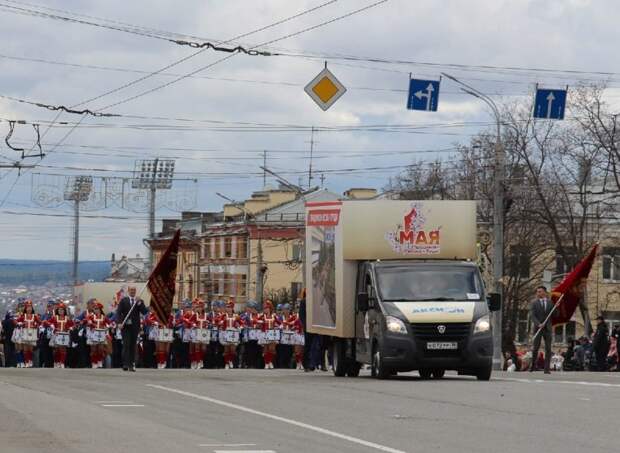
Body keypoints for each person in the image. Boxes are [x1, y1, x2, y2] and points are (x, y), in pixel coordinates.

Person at [115, 286, 148, 372]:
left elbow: (144, 312)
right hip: (125, 326)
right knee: (126, 344)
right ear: (128, 291)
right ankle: (125, 363)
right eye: (131, 290)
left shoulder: (139, 301)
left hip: (135, 326)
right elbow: (118, 312)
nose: (133, 291)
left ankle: (132, 364)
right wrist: (119, 323)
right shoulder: (124, 300)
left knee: (133, 345)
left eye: (134, 290)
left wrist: (139, 303)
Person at [529, 286, 554, 374]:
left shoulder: (550, 302)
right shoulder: (534, 303)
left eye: (540, 291)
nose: (538, 293)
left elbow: (555, 314)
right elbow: (532, 315)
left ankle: (546, 369)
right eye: (537, 292)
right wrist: (538, 324)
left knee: (548, 348)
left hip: (547, 328)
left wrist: (557, 307)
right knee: (536, 348)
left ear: (544, 292)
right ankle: (533, 366)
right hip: (538, 328)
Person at [45, 302, 74, 368]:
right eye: (60, 310)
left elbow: (73, 324)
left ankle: (62, 362)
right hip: (56, 335)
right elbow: (46, 322)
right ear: (57, 310)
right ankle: (56, 362)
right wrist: (51, 325)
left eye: (62, 310)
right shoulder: (54, 317)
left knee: (63, 349)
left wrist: (71, 328)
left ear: (64, 311)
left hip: (65, 335)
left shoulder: (68, 318)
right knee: (56, 350)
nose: (61, 311)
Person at [185, 299, 210, 370]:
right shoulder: (195, 315)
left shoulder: (206, 315)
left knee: (204, 348)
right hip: (196, 332)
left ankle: (200, 359)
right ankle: (197, 361)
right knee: (196, 347)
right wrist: (194, 324)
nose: (199, 308)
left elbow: (211, 321)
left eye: (200, 307)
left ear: (203, 308)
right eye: (198, 307)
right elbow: (189, 321)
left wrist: (208, 324)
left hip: (204, 333)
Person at [257, 300, 280, 369]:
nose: (265, 309)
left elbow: (280, 323)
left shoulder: (274, 316)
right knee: (265, 349)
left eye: (267, 308)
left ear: (270, 308)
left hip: (272, 334)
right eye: (264, 308)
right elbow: (256, 322)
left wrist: (277, 326)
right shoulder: (262, 316)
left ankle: (269, 361)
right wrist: (259, 324)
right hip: (264, 333)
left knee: (272, 349)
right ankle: (267, 363)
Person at [86, 301, 110, 369]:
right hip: (93, 334)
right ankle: (94, 362)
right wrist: (89, 322)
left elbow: (109, 323)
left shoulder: (104, 317)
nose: (96, 310)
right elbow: (87, 321)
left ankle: (99, 361)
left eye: (97, 309)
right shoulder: (91, 316)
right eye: (95, 308)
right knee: (93, 349)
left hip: (101, 334)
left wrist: (108, 325)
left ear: (100, 309)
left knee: (100, 349)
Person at [219, 300, 241, 369]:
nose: (228, 309)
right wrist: (221, 323)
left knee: (233, 349)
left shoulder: (236, 316)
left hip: (234, 333)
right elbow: (218, 321)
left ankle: (230, 360)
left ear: (232, 308)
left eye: (230, 307)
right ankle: (226, 363)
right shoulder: (223, 316)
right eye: (227, 307)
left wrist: (239, 326)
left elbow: (241, 323)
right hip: (225, 332)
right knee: (226, 349)